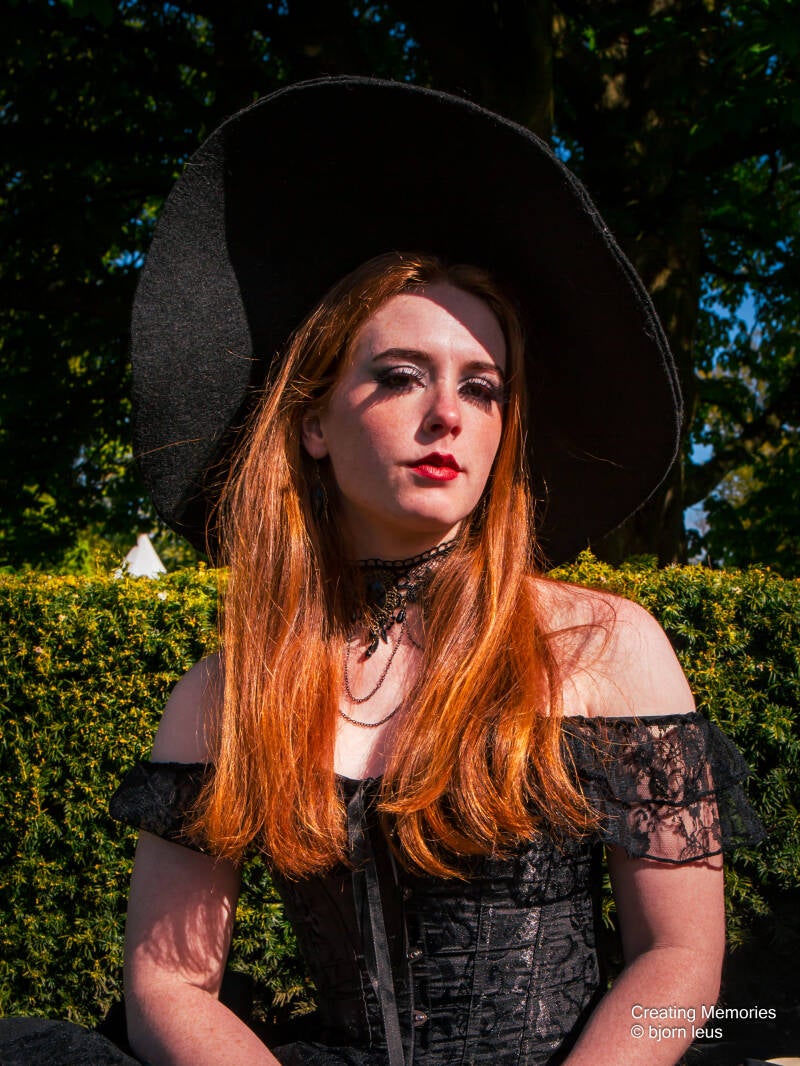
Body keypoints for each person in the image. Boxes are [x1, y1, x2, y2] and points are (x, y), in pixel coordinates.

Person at [0, 77, 764, 1066]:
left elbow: (680, 959)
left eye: (481, 388)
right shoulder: (229, 691)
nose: (447, 414)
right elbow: (168, 982)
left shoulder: (603, 646)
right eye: (400, 375)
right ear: (314, 422)